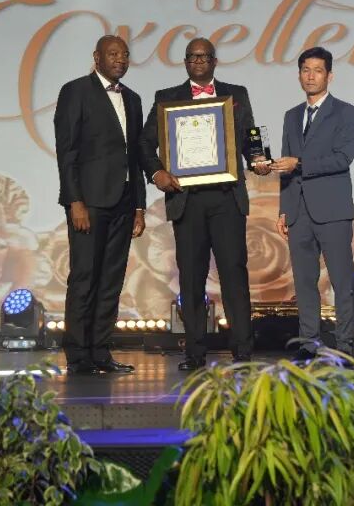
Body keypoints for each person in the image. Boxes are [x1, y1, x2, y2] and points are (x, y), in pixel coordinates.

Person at [140, 37, 269, 371]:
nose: (198, 61)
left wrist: (259, 158)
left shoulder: (236, 94)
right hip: (187, 199)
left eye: (204, 56)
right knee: (191, 278)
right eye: (192, 57)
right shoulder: (166, 98)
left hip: (227, 197)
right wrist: (157, 173)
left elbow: (251, 136)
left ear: (214, 61)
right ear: (185, 62)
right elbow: (144, 143)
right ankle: (194, 353)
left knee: (234, 275)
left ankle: (242, 352)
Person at [54, 35, 147, 375]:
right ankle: (78, 354)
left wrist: (139, 206)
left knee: (111, 279)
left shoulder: (133, 99)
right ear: (97, 57)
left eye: (125, 54)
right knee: (85, 277)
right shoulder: (76, 91)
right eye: (113, 54)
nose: (120, 59)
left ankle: (100, 351)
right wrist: (74, 200)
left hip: (124, 202)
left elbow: (135, 156)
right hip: (89, 202)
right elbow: (67, 151)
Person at [271, 46, 354, 358]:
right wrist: (284, 209)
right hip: (299, 211)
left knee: (342, 282)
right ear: (299, 75)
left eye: (317, 70)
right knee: (304, 283)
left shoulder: (345, 112)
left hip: (332, 210)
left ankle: (346, 345)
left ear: (329, 76)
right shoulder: (292, 115)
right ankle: (309, 343)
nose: (311, 76)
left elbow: (343, 158)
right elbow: (286, 167)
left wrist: (300, 163)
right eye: (305, 70)